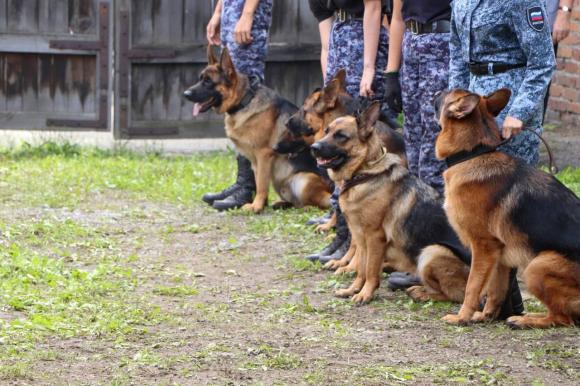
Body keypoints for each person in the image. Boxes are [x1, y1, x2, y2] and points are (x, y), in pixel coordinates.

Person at [305, 0, 390, 263]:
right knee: (336, 150)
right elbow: (325, 37)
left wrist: (369, 68)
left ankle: (355, 244)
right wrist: (328, 79)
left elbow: (374, 9)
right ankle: (343, 234)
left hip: (363, 41)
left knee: (356, 147)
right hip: (340, 38)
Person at [449, 0, 556, 165]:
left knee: (515, 185)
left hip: (511, 103)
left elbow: (542, 62)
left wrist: (519, 113)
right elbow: (458, 57)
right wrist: (454, 103)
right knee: (474, 178)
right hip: (473, 106)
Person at [203, 0, 273, 211]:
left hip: (246, 18)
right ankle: (243, 182)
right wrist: (218, 13)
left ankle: (248, 187)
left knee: (245, 97)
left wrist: (248, 14)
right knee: (235, 105)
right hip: (231, 15)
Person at [383, 0, 452, 193]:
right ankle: (420, 199)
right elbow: (397, 19)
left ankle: (438, 201)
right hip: (411, 46)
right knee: (412, 130)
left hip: (442, 44)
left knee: (434, 128)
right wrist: (392, 73)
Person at [543, 0, 573, 121]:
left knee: (536, 89)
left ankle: (529, 137)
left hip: (541, 19)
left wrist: (564, 11)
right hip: (498, 19)